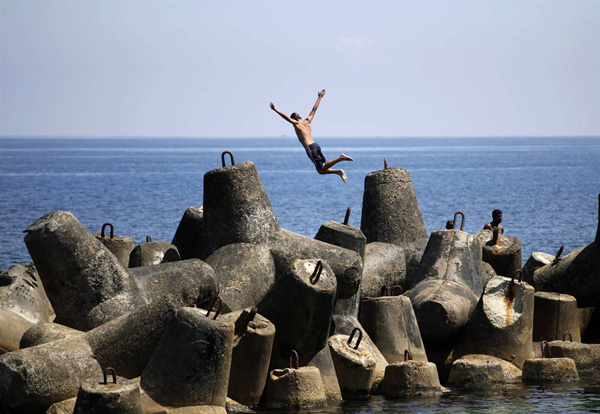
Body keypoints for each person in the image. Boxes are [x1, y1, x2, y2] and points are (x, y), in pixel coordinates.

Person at [270, 89, 353, 182]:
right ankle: (338, 172)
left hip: (310, 148)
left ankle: (340, 158)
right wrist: (320, 97)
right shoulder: (308, 121)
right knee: (321, 170)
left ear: (293, 118)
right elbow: (314, 109)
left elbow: (286, 117)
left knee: (322, 168)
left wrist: (275, 109)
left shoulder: (297, 123)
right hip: (316, 145)